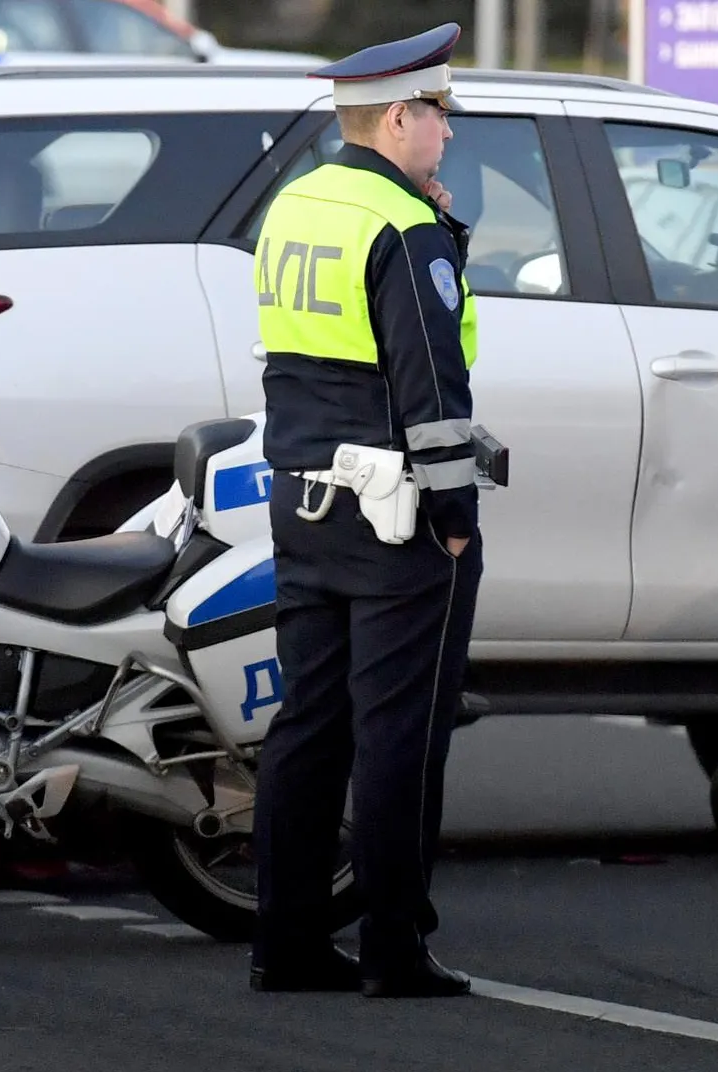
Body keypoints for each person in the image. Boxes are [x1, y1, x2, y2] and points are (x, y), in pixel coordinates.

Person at [247, 22, 484, 999]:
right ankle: (395, 948)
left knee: (308, 724)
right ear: (399, 117)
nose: (449, 135)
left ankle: (287, 943)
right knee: (401, 731)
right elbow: (431, 382)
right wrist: (455, 514)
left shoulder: (295, 204)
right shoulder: (403, 226)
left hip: (303, 499)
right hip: (396, 514)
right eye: (439, 115)